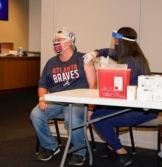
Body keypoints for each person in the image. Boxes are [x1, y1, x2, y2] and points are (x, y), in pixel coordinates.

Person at [84, 27, 158, 167]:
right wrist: (96, 52)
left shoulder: (131, 61)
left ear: (123, 42)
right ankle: (112, 146)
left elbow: (119, 90)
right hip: (135, 106)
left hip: (141, 109)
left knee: (97, 118)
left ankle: (122, 153)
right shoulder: (131, 55)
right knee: (99, 113)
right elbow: (109, 52)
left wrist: (104, 73)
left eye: (117, 40)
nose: (115, 42)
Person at [30, 27, 97, 166]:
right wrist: (42, 99)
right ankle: (50, 146)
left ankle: (79, 152)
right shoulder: (51, 62)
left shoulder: (83, 59)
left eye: (59, 40)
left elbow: (93, 84)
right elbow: (42, 85)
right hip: (56, 101)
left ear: (70, 42)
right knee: (36, 114)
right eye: (55, 40)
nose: (56, 42)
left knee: (72, 119)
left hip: (78, 102)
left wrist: (91, 108)